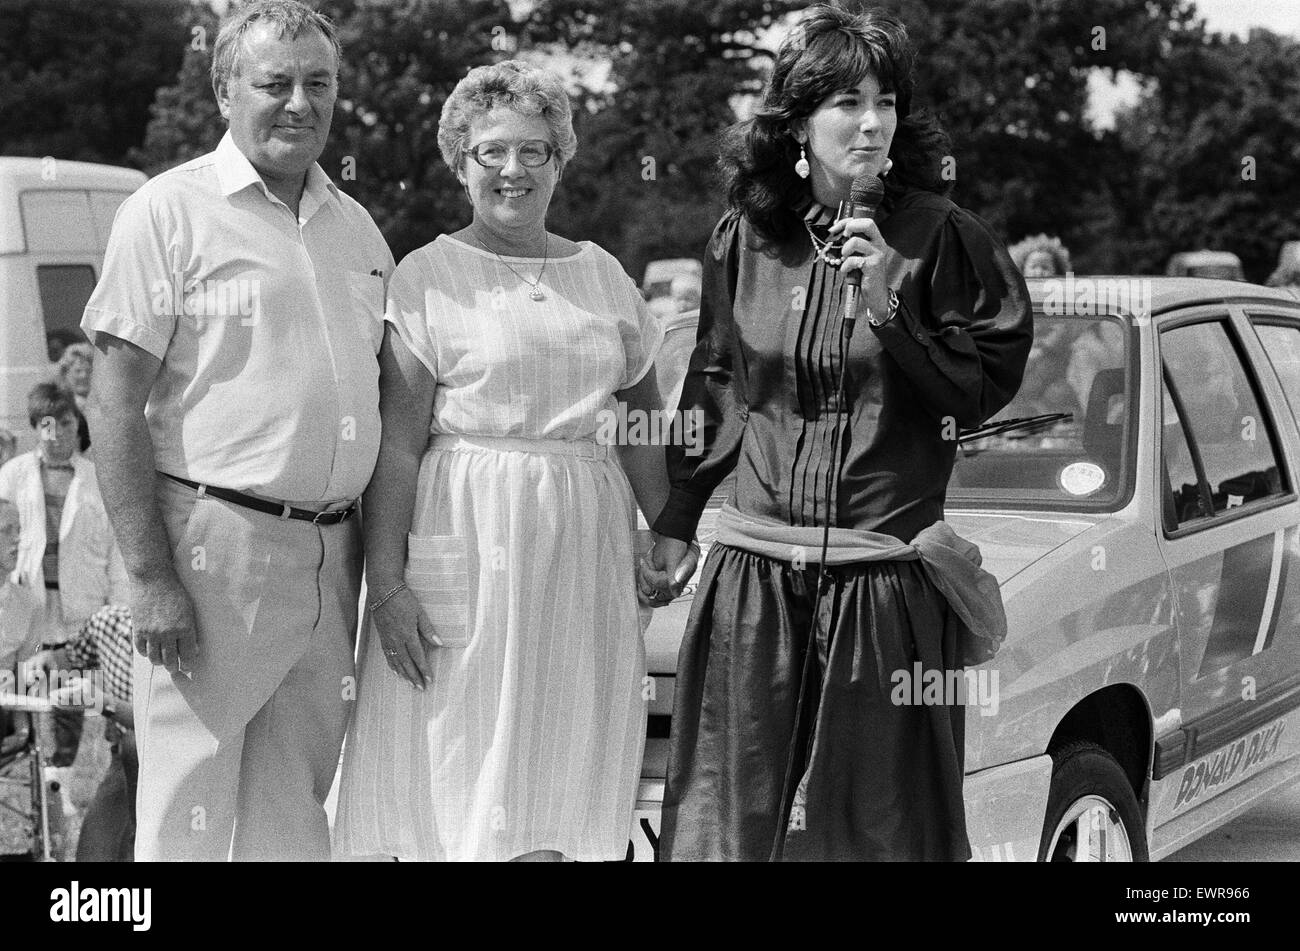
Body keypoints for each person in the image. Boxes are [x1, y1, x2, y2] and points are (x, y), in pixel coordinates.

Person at [641, 4, 1033, 861]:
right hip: (752, 580)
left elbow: (973, 393)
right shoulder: (746, 238)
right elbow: (717, 383)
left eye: (885, 101)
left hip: (882, 587)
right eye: (846, 102)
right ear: (796, 125)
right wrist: (675, 523)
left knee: (880, 833)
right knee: (726, 823)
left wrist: (889, 303)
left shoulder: (941, 238)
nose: (871, 121)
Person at [333, 60, 690, 862]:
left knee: (564, 764)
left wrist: (669, 528)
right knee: (464, 767)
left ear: (561, 160)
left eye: (535, 150)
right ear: (460, 161)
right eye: (491, 151)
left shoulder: (600, 273)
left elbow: (639, 417)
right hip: (466, 537)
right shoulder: (428, 276)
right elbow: (395, 445)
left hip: (582, 550)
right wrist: (385, 584)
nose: (513, 170)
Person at [81, 0, 394, 861]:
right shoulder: (166, 211)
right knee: (187, 810)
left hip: (335, 554)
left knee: (296, 811)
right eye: (275, 83)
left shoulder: (357, 226)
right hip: (213, 548)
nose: (300, 103)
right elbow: (112, 403)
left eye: (319, 84)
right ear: (225, 90)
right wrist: (149, 575)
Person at [0, 383, 127, 814]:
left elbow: (114, 550)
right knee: (23, 682)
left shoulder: (97, 478)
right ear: (37, 429)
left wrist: (115, 607)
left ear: (78, 425)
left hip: (82, 602)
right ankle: (27, 769)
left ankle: (61, 776)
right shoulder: (14, 475)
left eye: (65, 423)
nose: (56, 434)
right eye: (46, 425)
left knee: (70, 685)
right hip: (28, 598)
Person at [26, 604, 136, 861]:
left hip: (169, 759)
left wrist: (97, 700)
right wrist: (42, 661)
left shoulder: (189, 633)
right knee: (93, 856)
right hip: (125, 762)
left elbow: (153, 723)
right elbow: (68, 657)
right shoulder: (107, 622)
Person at [55, 342, 94, 453]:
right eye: (78, 371)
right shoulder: (56, 406)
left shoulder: (104, 405)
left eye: (89, 371)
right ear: (65, 373)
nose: (84, 376)